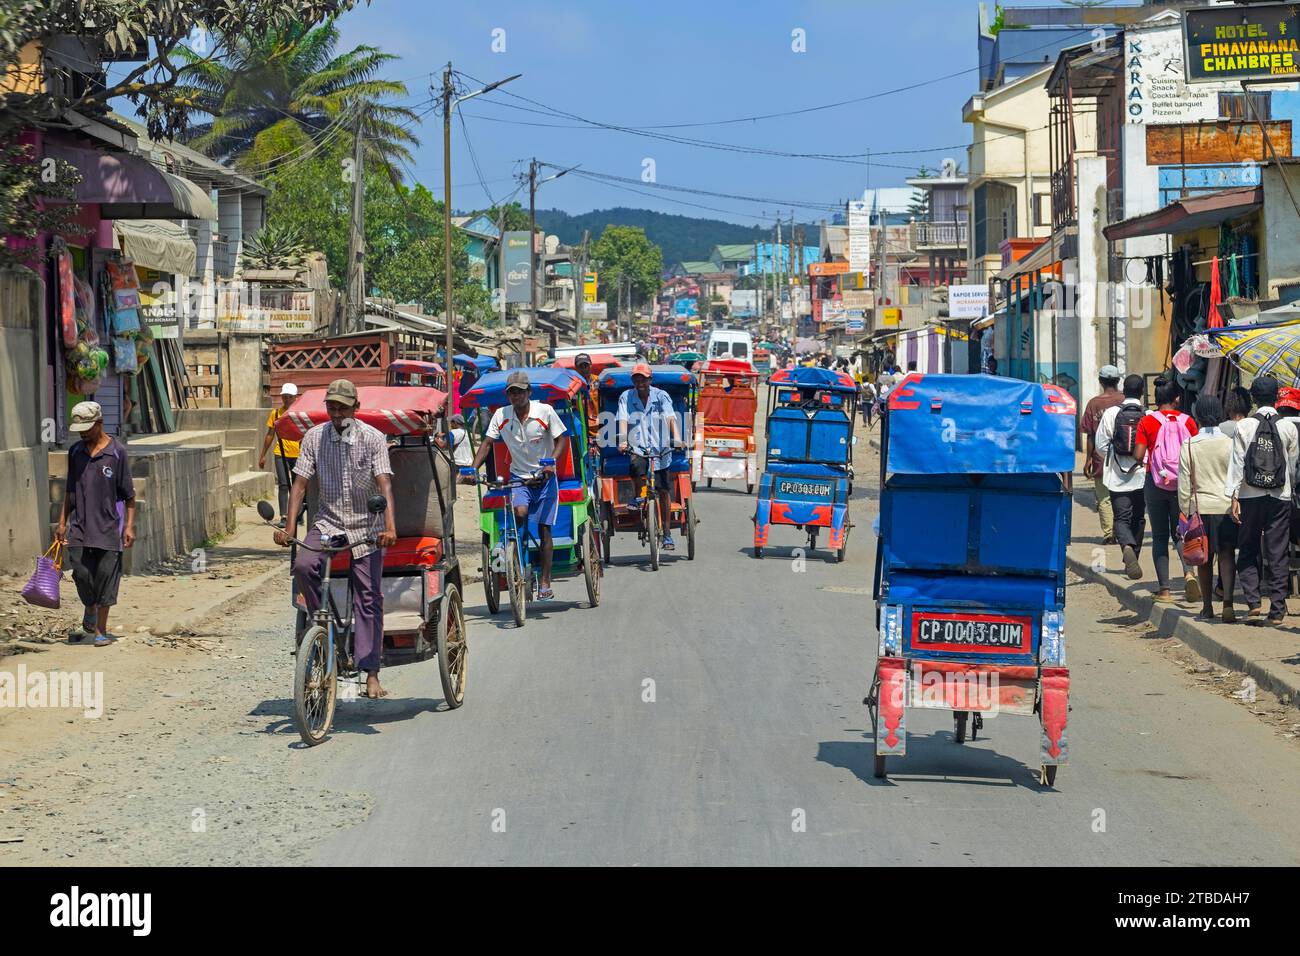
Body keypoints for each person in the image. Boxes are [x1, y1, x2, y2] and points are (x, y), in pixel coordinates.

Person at [277, 379, 397, 699]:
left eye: (343, 407)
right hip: (328, 523)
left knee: (368, 597)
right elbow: (300, 485)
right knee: (303, 566)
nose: (337, 412)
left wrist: (389, 527)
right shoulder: (314, 438)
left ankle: (371, 671)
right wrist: (290, 528)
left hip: (365, 526)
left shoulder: (373, 438)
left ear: (356, 408)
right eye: (332, 406)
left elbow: (384, 484)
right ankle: (323, 626)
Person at [466, 370, 570, 599]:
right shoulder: (501, 415)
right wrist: (473, 469)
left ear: (528, 392)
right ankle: (514, 557)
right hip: (519, 477)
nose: (516, 396)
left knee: (544, 530)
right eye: (512, 392)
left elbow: (562, 438)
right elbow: (486, 443)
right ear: (508, 395)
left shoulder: (545, 411)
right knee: (519, 512)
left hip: (544, 479)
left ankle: (545, 582)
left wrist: (551, 462)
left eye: (520, 391)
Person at [55, 401, 136, 647]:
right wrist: (62, 523)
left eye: (87, 428)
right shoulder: (76, 452)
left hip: (109, 527)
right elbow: (70, 490)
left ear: (99, 423)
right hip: (80, 526)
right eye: (79, 429)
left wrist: (129, 526)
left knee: (105, 577)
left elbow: (129, 495)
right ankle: (89, 606)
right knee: (80, 572)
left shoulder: (117, 452)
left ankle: (100, 629)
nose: (83, 433)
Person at [1227, 374, 1299, 626]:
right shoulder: (1289, 427)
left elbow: (1237, 465)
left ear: (1254, 399)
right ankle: (1277, 609)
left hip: (1250, 494)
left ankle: (1254, 603)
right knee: (1277, 551)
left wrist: (1233, 496)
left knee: (1247, 547)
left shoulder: (1244, 426)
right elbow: (1291, 467)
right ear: (1277, 396)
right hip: (1280, 496)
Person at [1134, 377, 1198, 603]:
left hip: (1156, 483)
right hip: (1182, 484)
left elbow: (1139, 455)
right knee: (1181, 533)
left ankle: (1165, 591)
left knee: (1160, 536)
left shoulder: (1148, 422)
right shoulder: (1188, 421)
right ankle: (1189, 573)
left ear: (1157, 398)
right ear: (1177, 399)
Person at [1178, 394, 1237, 623]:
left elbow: (1184, 483)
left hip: (1199, 508)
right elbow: (1236, 476)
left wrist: (1184, 511)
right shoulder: (1230, 443)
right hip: (1225, 507)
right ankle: (1229, 604)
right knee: (1227, 555)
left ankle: (1207, 607)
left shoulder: (1190, 444)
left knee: (1202, 557)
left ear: (1198, 415)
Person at [618, 362, 685, 551]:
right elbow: (623, 419)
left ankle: (667, 533)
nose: (640, 382)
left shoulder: (661, 396)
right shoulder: (626, 397)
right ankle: (639, 496)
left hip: (660, 447)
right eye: (636, 378)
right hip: (638, 445)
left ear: (650, 380)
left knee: (664, 490)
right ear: (633, 380)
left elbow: (671, 418)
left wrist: (677, 439)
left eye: (643, 378)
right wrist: (623, 440)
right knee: (635, 467)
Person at [1096, 374, 1148, 581]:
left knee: (1121, 517)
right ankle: (1133, 556)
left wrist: (1114, 457)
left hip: (1117, 477)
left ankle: (1126, 546)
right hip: (1142, 474)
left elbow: (1101, 446)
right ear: (1142, 393)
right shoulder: (1149, 415)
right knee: (1138, 517)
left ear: (1124, 392)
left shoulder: (1111, 414)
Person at [1080, 365, 1125, 544]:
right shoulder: (1125, 400)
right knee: (1122, 496)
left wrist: (1088, 459)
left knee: (1104, 497)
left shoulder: (1094, 403)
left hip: (1101, 457)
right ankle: (1122, 531)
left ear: (1100, 381)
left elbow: (1091, 434)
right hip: (1125, 457)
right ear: (1118, 380)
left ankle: (1109, 534)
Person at [258, 382, 300, 528]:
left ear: (295, 397)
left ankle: (298, 514)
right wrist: (262, 455)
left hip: (298, 454)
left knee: (297, 485)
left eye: (289, 396)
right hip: (280, 452)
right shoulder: (276, 414)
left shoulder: (300, 413)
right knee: (283, 485)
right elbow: (270, 435)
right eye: (284, 396)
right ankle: (284, 516)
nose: (286, 399)